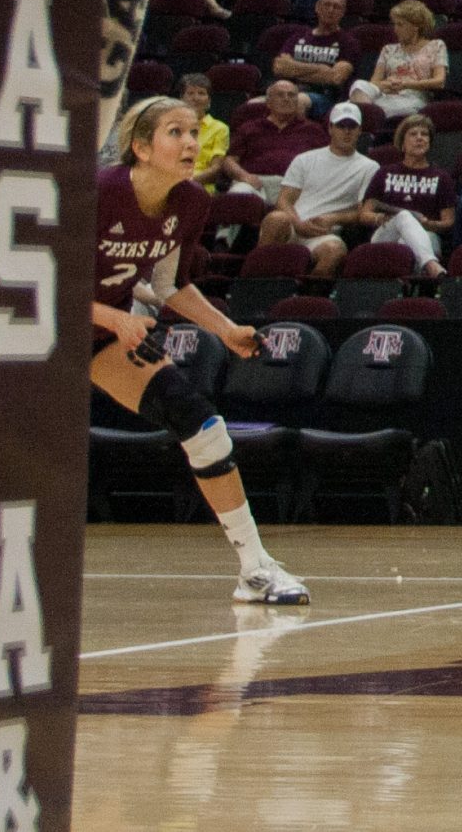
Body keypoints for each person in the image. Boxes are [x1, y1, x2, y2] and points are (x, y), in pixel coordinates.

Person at [93, 98, 310, 605]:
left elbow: (170, 286)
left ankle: (255, 569)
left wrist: (225, 329)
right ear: (141, 148)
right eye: (175, 132)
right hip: (33, 329)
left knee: (201, 424)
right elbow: (41, 282)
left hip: (102, 335)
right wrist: (115, 316)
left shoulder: (190, 202)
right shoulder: (99, 193)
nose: (191, 143)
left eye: (194, 132)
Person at [263, 100, 379, 279]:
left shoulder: (370, 167)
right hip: (295, 224)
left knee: (333, 251)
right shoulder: (305, 159)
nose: (347, 131)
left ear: (360, 130)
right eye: (341, 126)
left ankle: (308, 298)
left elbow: (362, 211)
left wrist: (333, 218)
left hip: (325, 232)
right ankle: (260, 281)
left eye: (352, 126)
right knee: (276, 219)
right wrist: (298, 224)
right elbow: (284, 200)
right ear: (331, 128)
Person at [361, 112, 456, 276]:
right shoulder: (385, 173)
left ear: (430, 142)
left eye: (424, 134)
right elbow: (364, 214)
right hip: (386, 233)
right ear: (402, 142)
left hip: (426, 233)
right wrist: (378, 218)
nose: (419, 138)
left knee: (411, 240)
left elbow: (448, 222)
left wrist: (428, 224)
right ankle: (431, 266)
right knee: (404, 216)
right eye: (413, 134)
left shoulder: (441, 177)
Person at [219, 79, 326, 201]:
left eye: (291, 95)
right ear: (268, 102)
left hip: (296, 187)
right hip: (255, 182)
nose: (286, 98)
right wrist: (244, 176)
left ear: (297, 102)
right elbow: (230, 160)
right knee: (238, 195)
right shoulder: (249, 128)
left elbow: (326, 162)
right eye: (280, 95)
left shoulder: (313, 130)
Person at [271, 0, 359, 118]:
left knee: (297, 101)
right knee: (253, 104)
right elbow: (279, 67)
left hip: (325, 98)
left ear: (343, 12)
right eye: (327, 5)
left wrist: (294, 67)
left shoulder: (348, 43)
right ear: (317, 7)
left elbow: (335, 78)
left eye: (336, 7)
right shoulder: (298, 37)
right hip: (288, 90)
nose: (331, 10)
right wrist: (322, 69)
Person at [352, 0, 448, 119]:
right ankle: (369, 115)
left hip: (413, 97)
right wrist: (388, 84)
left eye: (400, 24)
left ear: (416, 26)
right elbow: (374, 82)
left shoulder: (436, 45)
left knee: (354, 110)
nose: (395, 29)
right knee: (358, 85)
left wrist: (406, 84)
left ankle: (367, 116)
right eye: (395, 24)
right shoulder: (388, 49)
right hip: (386, 94)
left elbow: (439, 82)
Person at [177, 72, 232, 189]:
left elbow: (216, 169)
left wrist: (186, 182)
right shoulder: (171, 127)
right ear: (181, 99)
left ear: (209, 100)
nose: (196, 98)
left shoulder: (220, 128)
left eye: (201, 93)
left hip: (200, 186)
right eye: (190, 93)